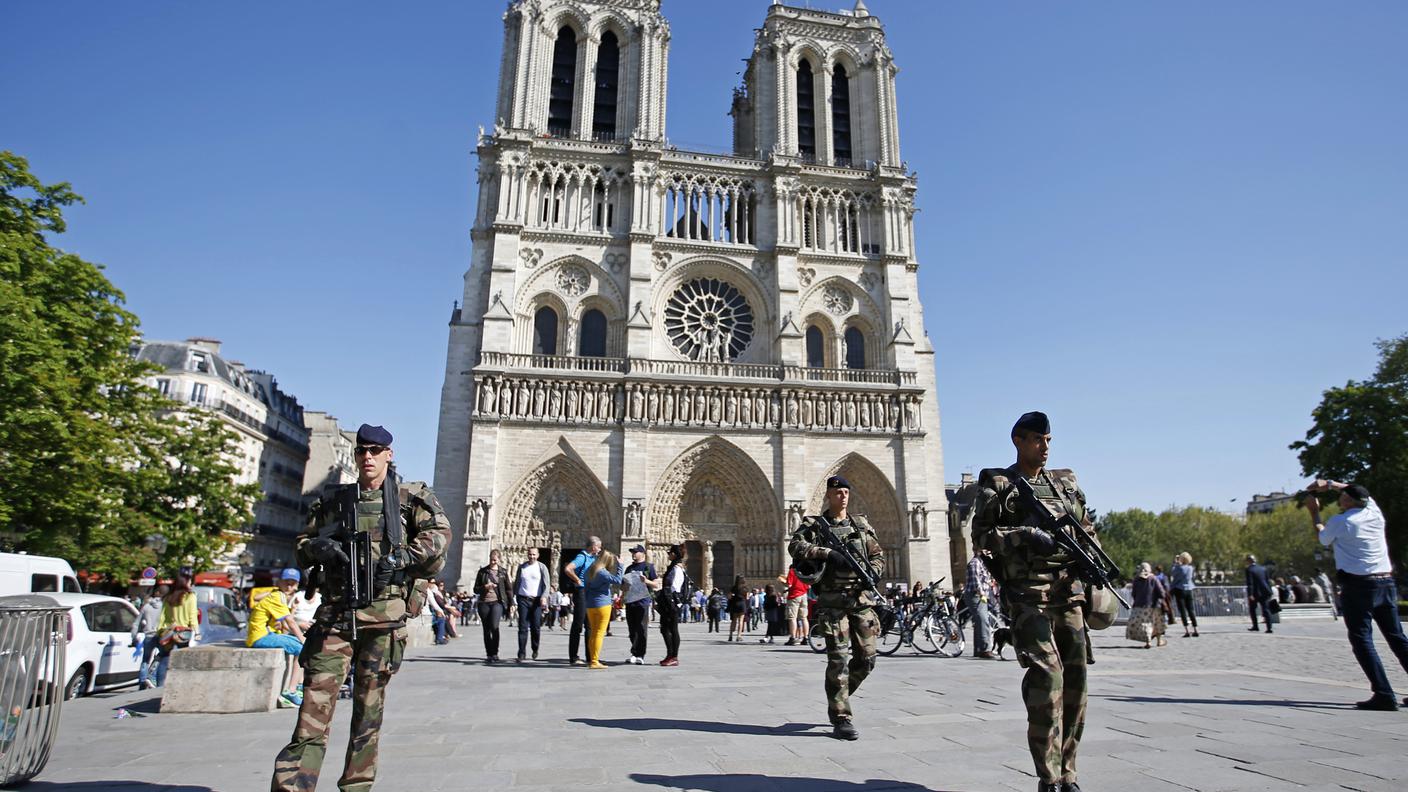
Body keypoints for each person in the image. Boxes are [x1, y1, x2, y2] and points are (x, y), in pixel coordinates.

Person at [271, 423, 450, 792]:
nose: (366, 457)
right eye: (361, 451)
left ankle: (357, 786)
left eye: (374, 451)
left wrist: (399, 558)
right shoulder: (334, 501)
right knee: (312, 713)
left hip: (384, 621)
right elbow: (303, 541)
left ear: (389, 454)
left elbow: (439, 538)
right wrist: (315, 549)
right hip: (336, 616)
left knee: (368, 715)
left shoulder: (409, 499)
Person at [971, 411, 1102, 792]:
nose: (1045, 447)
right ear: (1019, 440)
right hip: (1029, 595)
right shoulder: (998, 483)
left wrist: (1091, 557)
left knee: (1076, 685)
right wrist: (1026, 535)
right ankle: (1048, 776)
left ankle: (1069, 772)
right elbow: (982, 538)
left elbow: (1087, 529)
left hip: (1069, 594)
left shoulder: (1066, 484)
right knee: (1047, 678)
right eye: (1037, 440)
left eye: (1049, 441)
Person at [788, 474, 885, 742]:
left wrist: (874, 573)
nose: (842, 496)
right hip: (833, 603)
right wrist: (827, 553)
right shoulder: (815, 525)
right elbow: (795, 546)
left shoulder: (861, 525)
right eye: (837, 492)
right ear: (828, 496)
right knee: (838, 660)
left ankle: (838, 695)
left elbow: (877, 555)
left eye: (845, 492)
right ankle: (841, 715)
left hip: (861, 601)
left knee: (867, 659)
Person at [1305, 479, 1408, 711]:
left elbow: (1322, 538)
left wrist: (1315, 512)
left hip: (1359, 586)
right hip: (1385, 581)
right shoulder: (1374, 513)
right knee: (1396, 637)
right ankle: (1385, 692)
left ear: (1347, 501)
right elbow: (1355, 490)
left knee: (1362, 639)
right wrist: (1330, 483)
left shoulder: (1342, 522)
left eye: (1343, 496)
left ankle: (1383, 693)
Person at [247, 568, 307, 707]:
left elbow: (257, 598)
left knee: (301, 645)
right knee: (302, 648)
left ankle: (298, 686)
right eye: (286, 582)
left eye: (292, 583)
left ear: (297, 586)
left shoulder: (276, 594)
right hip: (260, 636)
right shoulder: (277, 597)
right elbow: (290, 622)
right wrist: (302, 639)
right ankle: (291, 692)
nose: (289, 586)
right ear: (279, 582)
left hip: (263, 633)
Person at [562, 536, 602, 666]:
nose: (600, 549)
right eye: (599, 546)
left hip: (591, 592)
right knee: (578, 624)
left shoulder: (594, 558)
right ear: (593, 546)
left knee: (590, 625)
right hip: (582, 592)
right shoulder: (582, 556)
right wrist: (577, 580)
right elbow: (568, 568)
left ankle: (591, 657)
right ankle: (573, 656)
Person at [154, 570, 198, 688]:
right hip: (183, 634)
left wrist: (160, 631)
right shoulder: (190, 596)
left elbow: (162, 616)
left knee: (165, 658)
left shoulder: (168, 597)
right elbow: (192, 616)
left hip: (168, 632)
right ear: (186, 582)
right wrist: (196, 632)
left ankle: (159, 686)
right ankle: (179, 685)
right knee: (183, 660)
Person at [582, 550, 622, 669]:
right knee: (599, 633)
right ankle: (594, 661)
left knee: (593, 633)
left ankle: (592, 659)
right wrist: (620, 566)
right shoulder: (602, 572)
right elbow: (618, 581)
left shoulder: (589, 571)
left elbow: (586, 588)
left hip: (591, 605)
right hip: (602, 605)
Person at [622, 545, 662, 664]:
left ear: (642, 553)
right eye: (632, 552)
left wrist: (646, 581)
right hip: (630, 601)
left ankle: (639, 654)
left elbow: (656, 584)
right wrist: (625, 586)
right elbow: (622, 586)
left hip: (643, 601)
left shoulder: (648, 567)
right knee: (632, 629)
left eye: (636, 552)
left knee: (641, 628)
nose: (633, 554)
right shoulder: (629, 568)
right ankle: (635, 651)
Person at [512, 548, 550, 662]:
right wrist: (515, 598)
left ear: (538, 555)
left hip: (537, 600)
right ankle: (521, 653)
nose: (531, 556)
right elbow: (517, 582)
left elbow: (546, 584)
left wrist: (544, 596)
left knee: (536, 627)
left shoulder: (542, 567)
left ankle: (535, 648)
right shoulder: (522, 567)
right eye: (529, 554)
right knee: (522, 627)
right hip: (523, 598)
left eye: (534, 554)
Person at [474, 549, 511, 664]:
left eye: (495, 560)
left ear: (499, 559)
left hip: (497, 602)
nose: (493, 562)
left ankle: (495, 652)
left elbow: (509, 589)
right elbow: (475, 589)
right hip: (484, 602)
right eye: (491, 559)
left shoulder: (503, 572)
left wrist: (512, 603)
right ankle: (489, 653)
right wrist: (485, 587)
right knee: (486, 629)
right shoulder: (482, 572)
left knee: (494, 626)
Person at [131, 584, 167, 690]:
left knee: (145, 660)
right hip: (161, 635)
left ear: (157, 592)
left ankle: (142, 683)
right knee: (162, 656)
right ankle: (152, 677)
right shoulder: (165, 606)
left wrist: (133, 637)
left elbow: (136, 624)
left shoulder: (147, 606)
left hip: (148, 636)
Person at [963, 552, 997, 659]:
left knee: (979, 622)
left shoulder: (981, 563)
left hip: (980, 595)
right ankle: (985, 650)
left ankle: (978, 649)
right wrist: (982, 593)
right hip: (976, 595)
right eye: (987, 551)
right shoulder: (975, 563)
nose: (989, 553)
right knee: (983, 621)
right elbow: (975, 581)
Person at [656, 544, 686, 665]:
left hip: (672, 603)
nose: (668, 555)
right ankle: (670, 655)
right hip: (669, 602)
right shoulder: (675, 567)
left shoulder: (677, 569)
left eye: (669, 553)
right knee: (665, 629)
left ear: (673, 554)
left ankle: (673, 656)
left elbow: (675, 587)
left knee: (671, 629)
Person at [1126, 563, 1167, 649]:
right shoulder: (1153, 579)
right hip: (1153, 605)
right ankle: (1154, 641)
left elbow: (1134, 593)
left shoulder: (1136, 580)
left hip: (1139, 605)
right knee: (1156, 623)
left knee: (1145, 623)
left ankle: (1151, 641)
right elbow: (1162, 593)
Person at [1169, 552, 1199, 637]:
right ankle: (1195, 629)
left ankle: (1187, 630)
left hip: (1180, 589)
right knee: (1191, 610)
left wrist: (1175, 563)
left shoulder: (1179, 568)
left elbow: (1173, 573)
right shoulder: (1190, 568)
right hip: (1189, 589)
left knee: (1182, 610)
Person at [1245, 555, 1275, 633]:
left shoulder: (1249, 569)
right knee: (1266, 609)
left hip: (1255, 593)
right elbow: (1267, 581)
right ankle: (1269, 627)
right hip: (1265, 591)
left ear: (1249, 561)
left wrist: (1250, 594)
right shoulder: (1263, 568)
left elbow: (1250, 583)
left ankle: (1255, 626)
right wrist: (1270, 591)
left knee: (1252, 609)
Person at [783, 565, 810, 646]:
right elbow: (808, 586)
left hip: (794, 596)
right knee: (804, 617)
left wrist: (783, 582)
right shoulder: (805, 571)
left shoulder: (792, 571)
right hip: (804, 595)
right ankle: (806, 638)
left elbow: (789, 584)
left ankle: (793, 638)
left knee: (792, 617)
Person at [726, 576, 748, 643]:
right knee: (741, 621)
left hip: (735, 604)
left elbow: (729, 597)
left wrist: (733, 597)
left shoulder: (734, 587)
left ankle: (730, 635)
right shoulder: (745, 588)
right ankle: (739, 636)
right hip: (742, 604)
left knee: (734, 620)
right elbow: (747, 597)